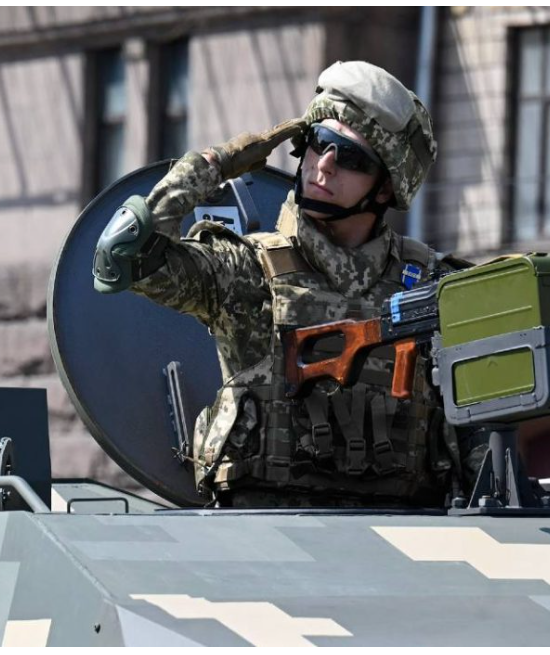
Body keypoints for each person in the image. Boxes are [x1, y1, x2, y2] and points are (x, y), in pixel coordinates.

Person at [92, 61, 480, 508]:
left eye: (351, 158)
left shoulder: (433, 287)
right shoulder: (245, 269)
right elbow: (123, 256)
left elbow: (481, 434)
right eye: (319, 142)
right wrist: (215, 164)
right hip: (261, 531)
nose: (325, 165)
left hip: (407, 531)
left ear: (386, 188)